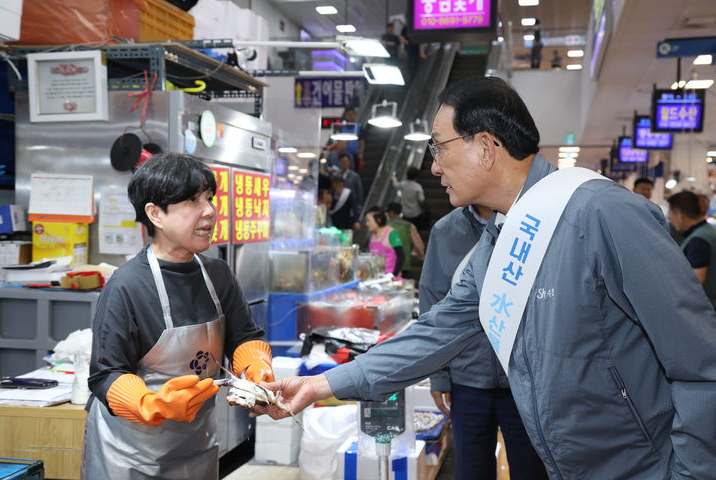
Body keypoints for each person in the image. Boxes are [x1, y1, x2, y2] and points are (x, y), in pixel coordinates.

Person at [258, 77, 716, 480]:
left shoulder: (604, 213)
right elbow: (436, 331)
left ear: (485, 145)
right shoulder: (498, 241)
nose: (434, 166)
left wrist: (691, 473)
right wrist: (320, 385)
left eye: (439, 146)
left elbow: (699, 361)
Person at [82, 153, 274, 479]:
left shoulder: (217, 273)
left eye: (209, 198)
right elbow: (106, 374)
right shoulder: (127, 285)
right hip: (130, 454)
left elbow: (244, 336)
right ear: (155, 213)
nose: (210, 211)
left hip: (196, 444)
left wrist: (256, 367)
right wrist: (150, 403)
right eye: (191, 200)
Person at [421, 203, 546, 479]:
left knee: (533, 470)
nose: (439, 171)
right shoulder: (445, 230)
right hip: (467, 380)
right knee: (471, 470)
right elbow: (433, 305)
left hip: (524, 379)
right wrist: (439, 375)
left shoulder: (533, 221)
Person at [667, 190, 716, 306]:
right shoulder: (707, 231)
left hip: (707, 310)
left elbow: (696, 281)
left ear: (680, 215)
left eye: (671, 216)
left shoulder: (699, 240)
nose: (671, 221)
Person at [385, 202, 425, 278]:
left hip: (388, 264)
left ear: (391, 212)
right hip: (404, 263)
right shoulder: (408, 225)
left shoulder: (384, 226)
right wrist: (421, 254)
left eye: (388, 212)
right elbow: (417, 242)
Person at [365, 206, 404, 276]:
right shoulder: (372, 235)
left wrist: (394, 275)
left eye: (369, 220)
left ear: (378, 219)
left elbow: (401, 256)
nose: (366, 224)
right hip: (376, 277)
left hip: (389, 277)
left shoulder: (391, 233)